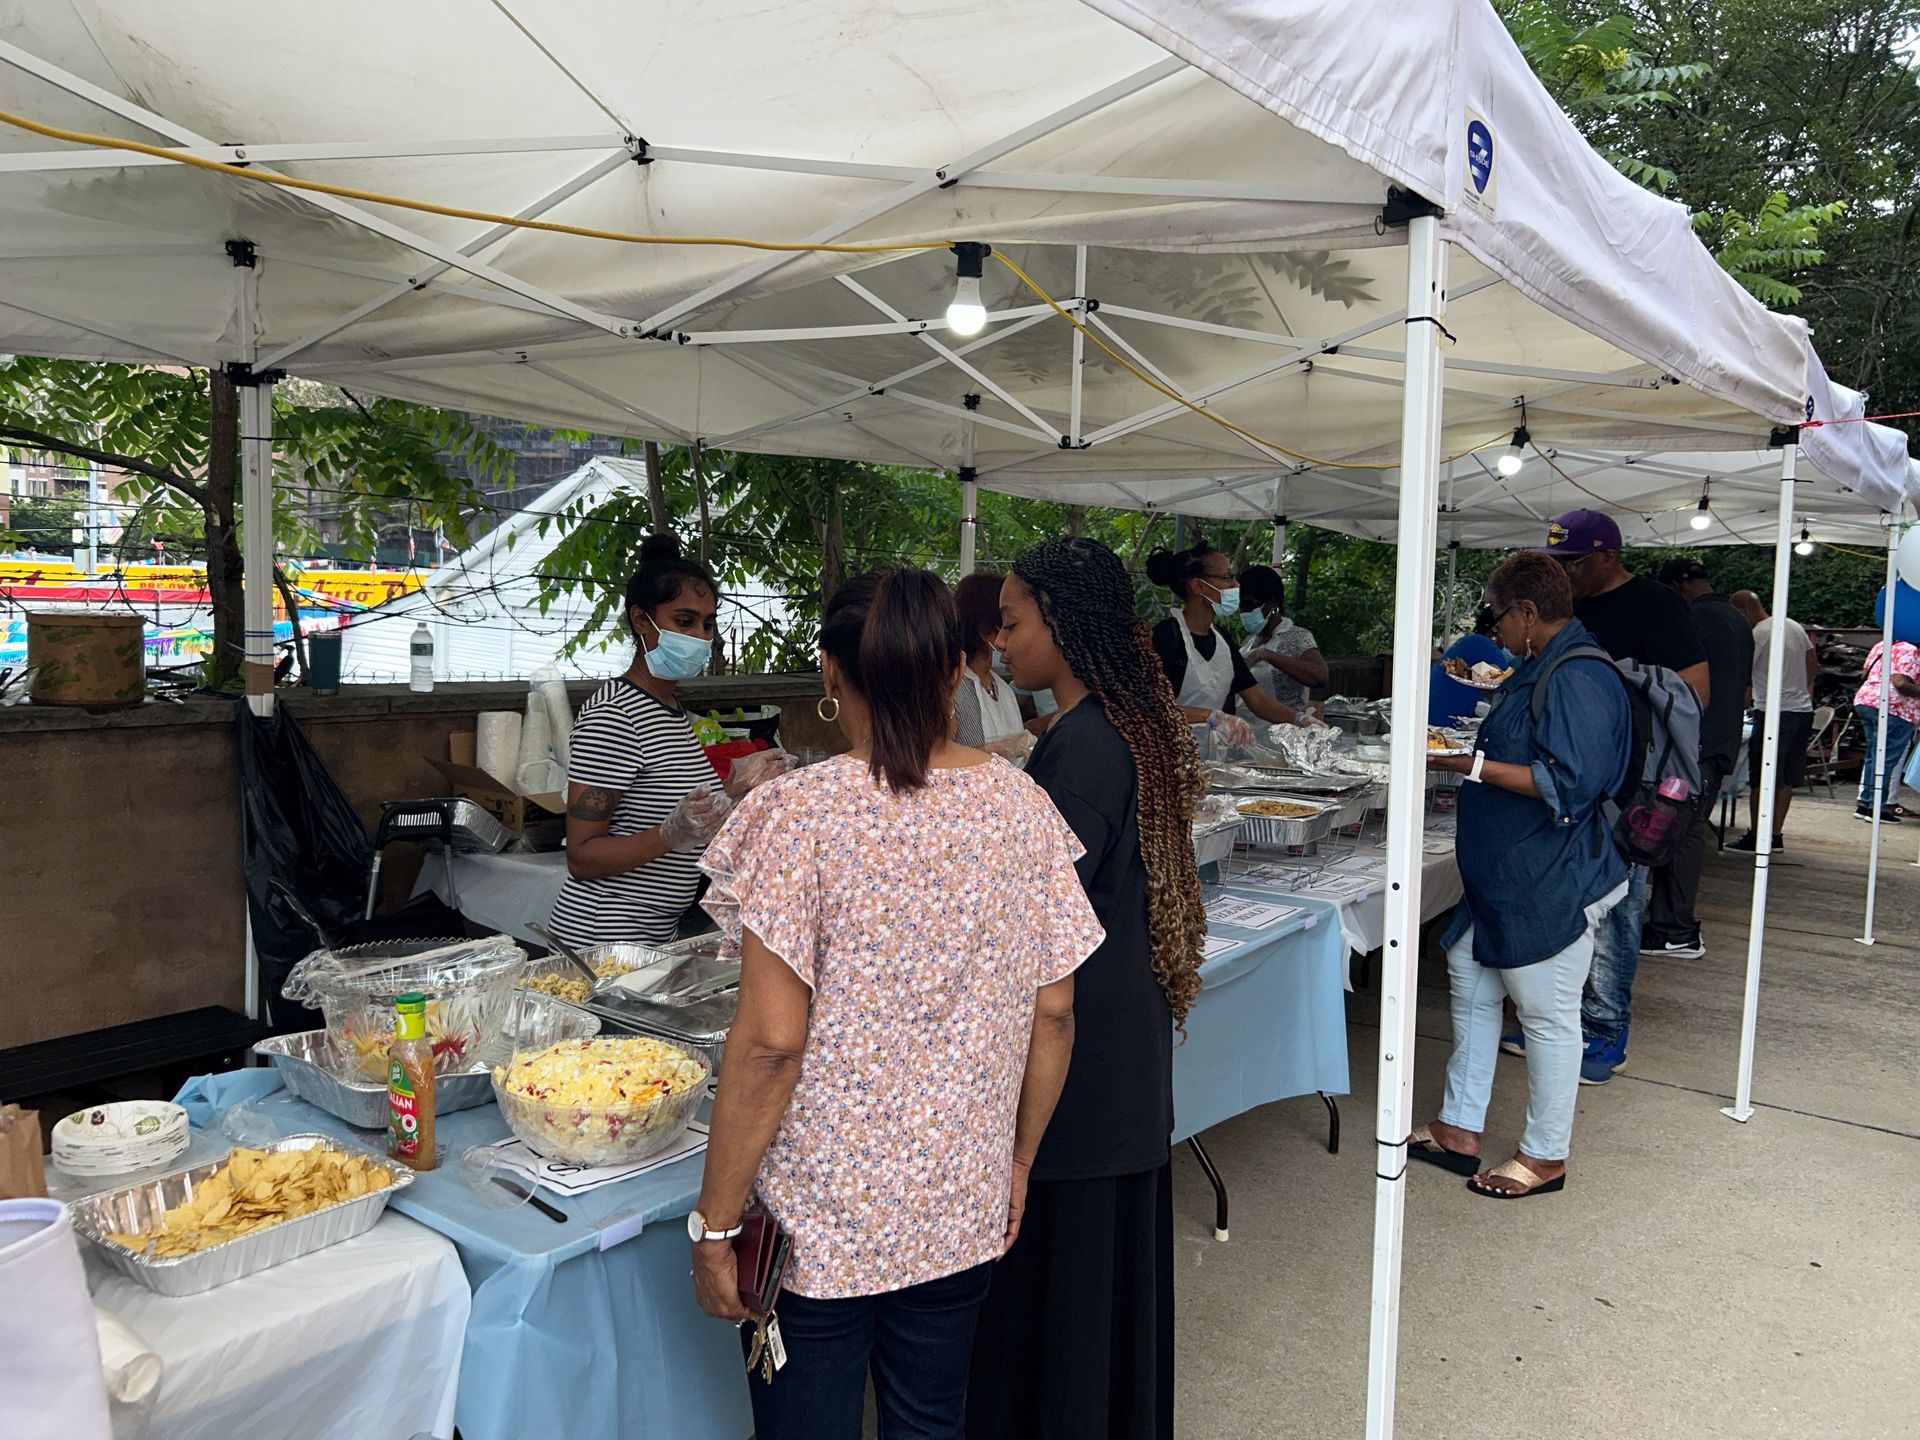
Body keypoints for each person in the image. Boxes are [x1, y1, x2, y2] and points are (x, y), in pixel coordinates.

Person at [689, 567, 1104, 1440]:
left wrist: (714, 1224)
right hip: (959, 1199)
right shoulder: (1020, 806)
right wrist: (1017, 1160)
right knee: (928, 1421)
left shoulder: (796, 815)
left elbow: (769, 1044)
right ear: (958, 671)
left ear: (831, 676)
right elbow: (1055, 1012)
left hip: (819, 1222)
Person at [968, 537, 1208, 1440]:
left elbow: (1033, 931)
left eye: (1016, 621)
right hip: (1123, 1053)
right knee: (1100, 1302)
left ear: (1065, 625)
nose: (1002, 640)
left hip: (1081, 1069)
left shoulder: (1084, 751)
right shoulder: (1118, 726)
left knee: (1063, 1308)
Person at [1410, 552, 1631, 1198]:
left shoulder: (1578, 675)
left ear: (1528, 613)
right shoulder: (1538, 665)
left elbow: (1568, 781)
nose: (1493, 628)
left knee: (1545, 1012)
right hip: (1503, 876)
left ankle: (1545, 1156)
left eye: (1497, 615)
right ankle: (1458, 1126)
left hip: (1549, 877)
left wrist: (1464, 766)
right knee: (1470, 976)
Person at [1529, 509, 1706, 1085]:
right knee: (1564, 903)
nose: (1565, 575)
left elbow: (1694, 693)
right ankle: (1559, 1020)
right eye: (1556, 565)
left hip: (1629, 786)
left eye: (1572, 564)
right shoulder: (1567, 606)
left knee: (1620, 909)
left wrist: (1601, 679)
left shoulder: (1657, 604)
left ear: (1608, 555)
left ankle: (1605, 1032)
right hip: (1565, 779)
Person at [548, 534, 766, 947]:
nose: (701, 636)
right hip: (600, 938)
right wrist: (671, 834)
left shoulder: (672, 713)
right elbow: (582, 856)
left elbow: (675, 809)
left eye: (708, 623)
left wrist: (733, 791)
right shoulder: (614, 715)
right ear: (641, 620)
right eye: (684, 621)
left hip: (654, 937)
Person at [1644, 559, 1754, 958]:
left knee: (1677, 835)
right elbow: (1744, 689)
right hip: (1721, 740)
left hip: (1695, 746)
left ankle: (1673, 929)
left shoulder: (1696, 619)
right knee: (1687, 834)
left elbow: (1677, 688)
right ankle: (1672, 925)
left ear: (1679, 586)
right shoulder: (1738, 619)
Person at [1144, 540, 1294, 747]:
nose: (1236, 585)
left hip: (1209, 759)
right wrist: (1211, 716)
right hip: (1166, 759)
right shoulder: (1164, 638)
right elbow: (1151, 706)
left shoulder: (1222, 640)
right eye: (1227, 577)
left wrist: (1300, 719)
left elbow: (1257, 699)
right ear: (1198, 585)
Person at [1728, 589, 1818, 849]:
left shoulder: (1757, 635)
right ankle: (1775, 834)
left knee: (1763, 775)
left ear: (1743, 610)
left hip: (1772, 711)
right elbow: (1813, 663)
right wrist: (1799, 687)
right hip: (1801, 710)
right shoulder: (1793, 626)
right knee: (1787, 776)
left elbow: (1743, 676)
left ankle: (1758, 836)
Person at [950, 570, 1031, 756]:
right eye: (1009, 626)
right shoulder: (954, 688)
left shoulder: (1003, 688)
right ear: (986, 631)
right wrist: (997, 749)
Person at [1235, 563, 1327, 713]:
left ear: (1272, 602)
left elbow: (1320, 677)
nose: (1245, 611)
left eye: (1251, 605)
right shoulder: (1249, 642)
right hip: (1248, 730)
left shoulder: (1297, 637)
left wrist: (1267, 655)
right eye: (1241, 606)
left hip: (1282, 731)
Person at [1851, 634, 1920, 822]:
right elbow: (1900, 682)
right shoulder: (1909, 649)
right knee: (1887, 759)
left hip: (1866, 702)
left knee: (1874, 755)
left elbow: (1864, 674)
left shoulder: (1881, 645)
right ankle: (1877, 808)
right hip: (1894, 709)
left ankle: (1865, 804)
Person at [1429, 605, 1507, 727]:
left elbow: (1489, 678)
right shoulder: (1484, 645)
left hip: (1433, 716)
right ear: (1496, 628)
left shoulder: (1470, 641)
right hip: (1446, 721)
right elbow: (1508, 683)